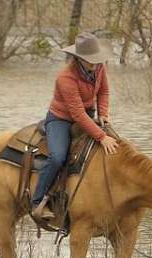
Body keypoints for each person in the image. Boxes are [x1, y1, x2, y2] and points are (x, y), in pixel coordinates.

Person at [30, 32, 119, 222]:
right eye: (90, 61)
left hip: (89, 115)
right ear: (79, 58)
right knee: (58, 157)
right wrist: (101, 137)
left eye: (96, 60)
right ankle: (37, 202)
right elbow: (77, 114)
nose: (94, 64)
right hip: (61, 119)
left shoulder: (99, 68)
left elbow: (104, 92)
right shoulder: (66, 77)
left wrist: (103, 115)